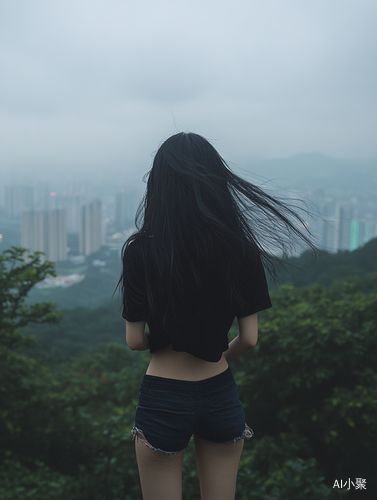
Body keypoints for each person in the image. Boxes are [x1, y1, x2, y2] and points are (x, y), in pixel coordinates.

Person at [119, 132, 313, 500]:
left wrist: (162, 338)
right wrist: (217, 352)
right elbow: (250, 339)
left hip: (164, 395)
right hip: (220, 394)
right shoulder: (241, 249)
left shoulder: (140, 251)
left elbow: (133, 341)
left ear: (160, 185)